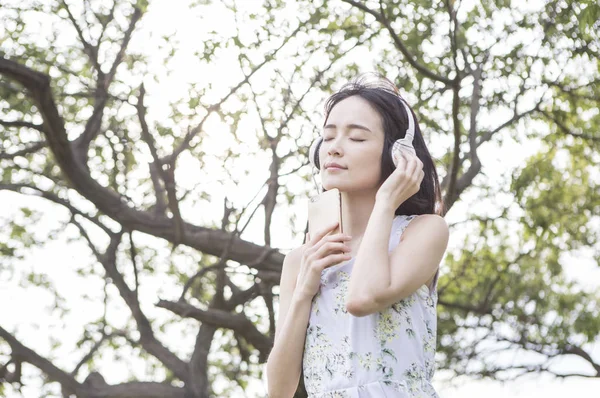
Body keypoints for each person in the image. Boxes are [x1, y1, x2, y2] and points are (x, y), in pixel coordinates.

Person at [266, 73, 449, 397]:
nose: (334, 148)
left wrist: (386, 203)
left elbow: (363, 298)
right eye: (329, 136)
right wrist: (304, 291)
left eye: (357, 138)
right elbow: (280, 388)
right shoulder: (302, 259)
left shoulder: (423, 231)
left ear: (398, 154)